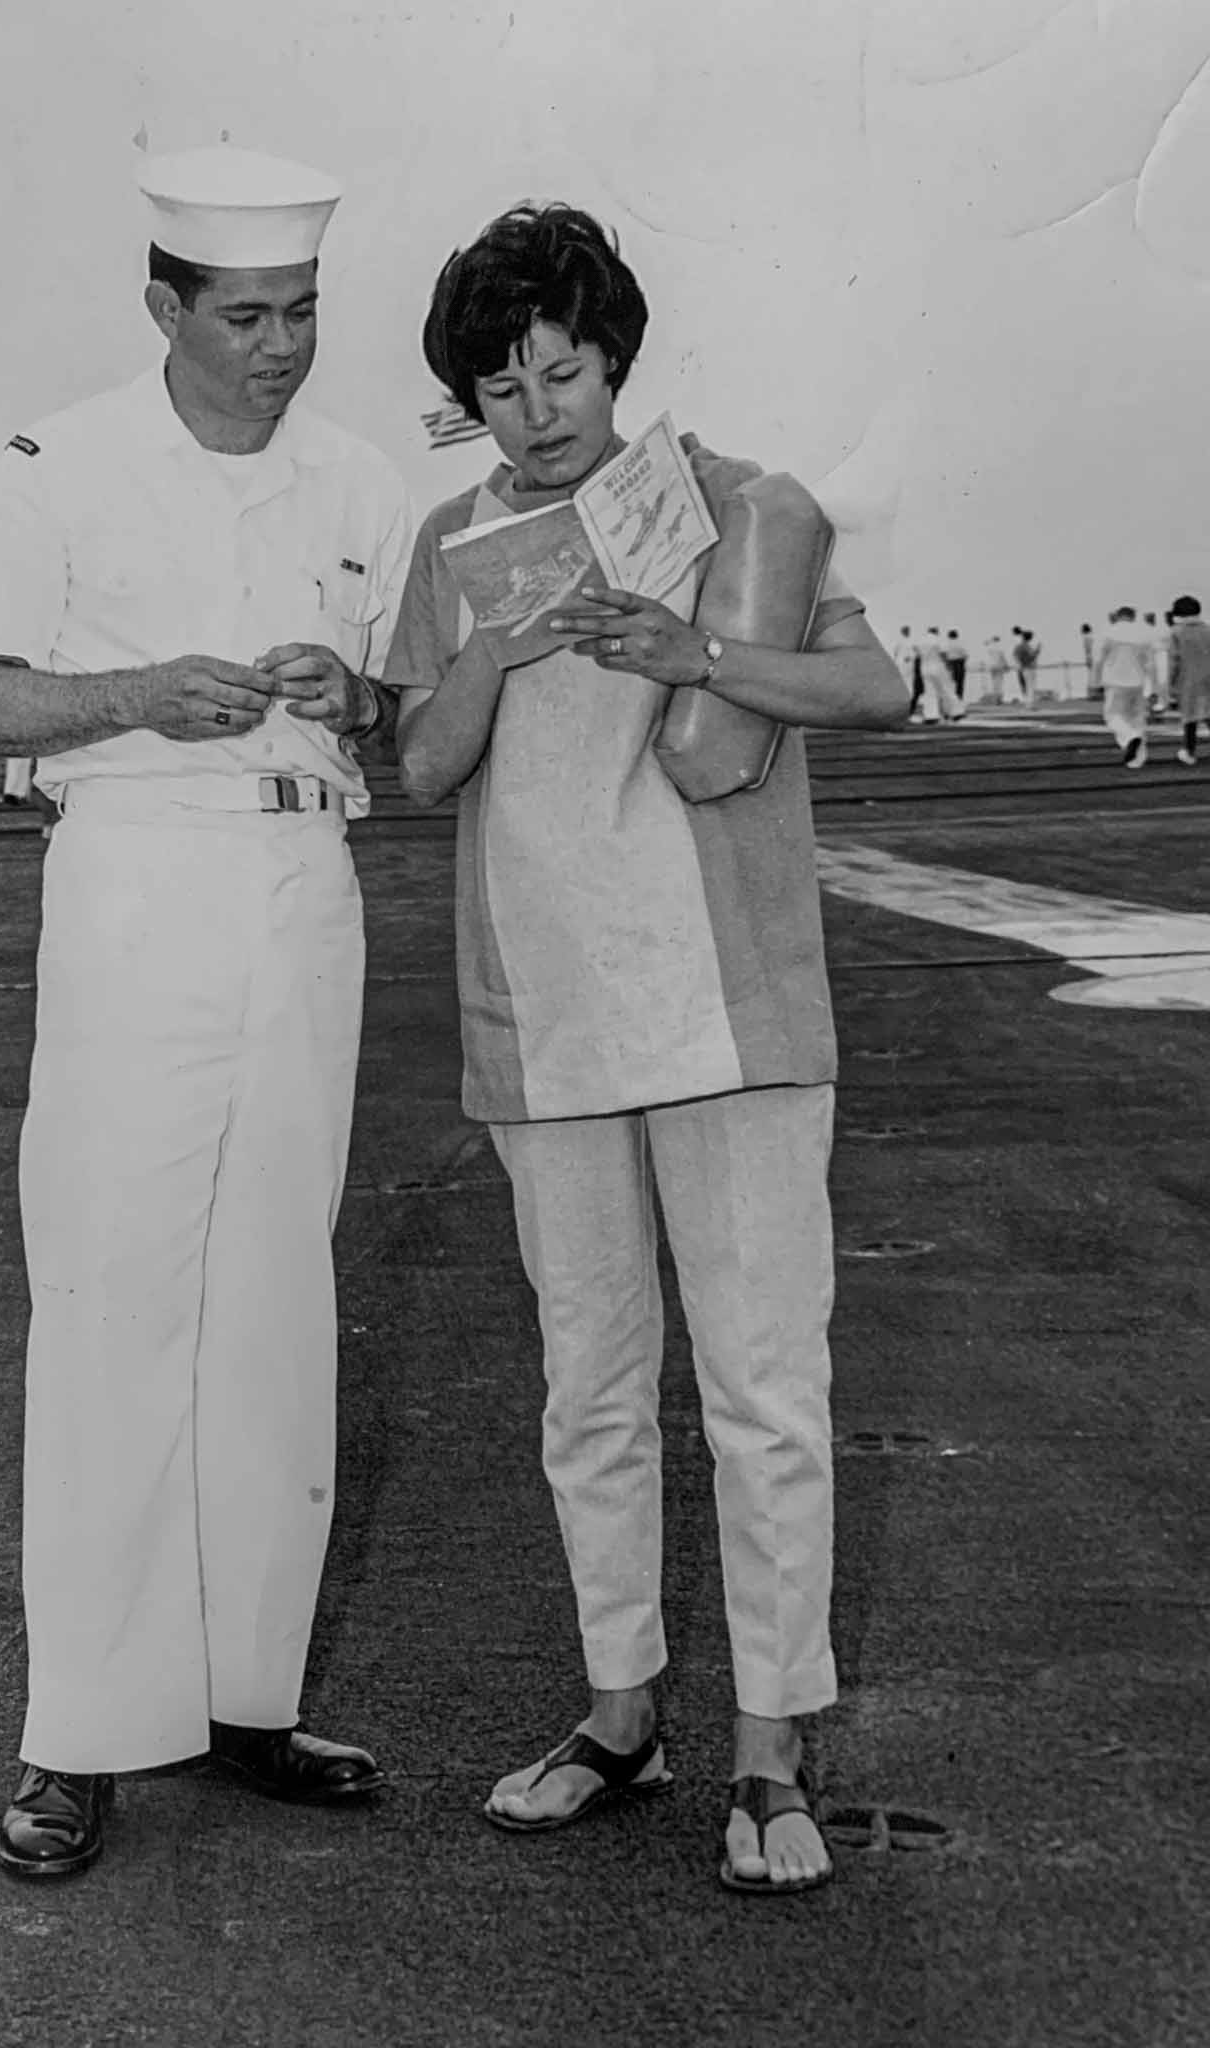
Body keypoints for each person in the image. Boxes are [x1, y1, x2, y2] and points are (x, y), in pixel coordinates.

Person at [388, 202, 907, 1895]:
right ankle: (623, 1711)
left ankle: (771, 1744)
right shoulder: (450, 535)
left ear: (615, 359)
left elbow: (879, 686)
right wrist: (493, 647)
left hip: (732, 1011)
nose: (539, 407)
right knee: (589, 1389)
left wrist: (700, 652)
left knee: (765, 1387)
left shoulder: (731, 503)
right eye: (503, 380)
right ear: (472, 394)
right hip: (546, 1024)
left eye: (563, 368)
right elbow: (422, 766)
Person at [0, 142, 413, 1879]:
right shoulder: (59, 459)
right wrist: (144, 690)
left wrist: (343, 688)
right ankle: (79, 1733)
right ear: (164, 305)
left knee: (278, 1292)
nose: (280, 347)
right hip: (136, 883)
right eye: (246, 316)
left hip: (305, 892)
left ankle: (244, 1694)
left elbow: (407, 703)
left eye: (301, 314)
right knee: (116, 1295)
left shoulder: (361, 478)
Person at [1094, 606, 1155, 767]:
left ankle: (1129, 738)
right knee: (1137, 719)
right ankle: (1137, 760)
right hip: (1138, 682)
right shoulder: (1144, 634)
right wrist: (1152, 688)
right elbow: (1150, 664)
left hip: (1115, 682)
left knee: (1112, 716)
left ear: (1118, 616)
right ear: (1133, 617)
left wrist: (1096, 681)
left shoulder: (1108, 632)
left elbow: (1098, 659)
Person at [1168, 596, 1210, 765]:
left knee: (1190, 719)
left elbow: (1174, 661)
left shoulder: (1176, 632)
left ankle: (1189, 752)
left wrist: (1170, 685)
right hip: (1209, 678)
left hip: (1188, 680)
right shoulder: (1208, 630)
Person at [916, 626, 963, 723]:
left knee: (929, 692)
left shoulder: (921, 641)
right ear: (936, 632)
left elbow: (918, 654)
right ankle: (956, 712)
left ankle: (931, 716)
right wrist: (949, 666)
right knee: (947, 689)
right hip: (938, 666)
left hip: (925, 668)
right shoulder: (937, 640)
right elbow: (943, 654)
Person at [1013, 627, 1041, 702]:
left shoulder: (1018, 646)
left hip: (1022, 668)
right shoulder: (1026, 646)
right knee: (1030, 686)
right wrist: (1037, 651)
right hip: (1028, 667)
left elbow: (1015, 655)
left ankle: (1027, 702)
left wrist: (1019, 663)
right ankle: (1030, 704)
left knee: (1024, 686)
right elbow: (1031, 657)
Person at [984, 634, 1014, 704]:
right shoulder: (1000, 647)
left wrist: (989, 641)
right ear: (999, 640)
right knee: (999, 683)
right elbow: (1002, 657)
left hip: (991, 666)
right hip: (999, 666)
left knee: (994, 683)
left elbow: (985, 643)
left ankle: (995, 699)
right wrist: (1007, 666)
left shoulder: (990, 647)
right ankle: (999, 699)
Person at [943, 628, 968, 702]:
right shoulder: (960, 643)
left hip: (950, 664)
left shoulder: (946, 644)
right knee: (960, 684)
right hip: (959, 663)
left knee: (950, 684)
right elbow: (965, 655)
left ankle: (950, 700)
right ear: (957, 636)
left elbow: (944, 655)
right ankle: (959, 699)